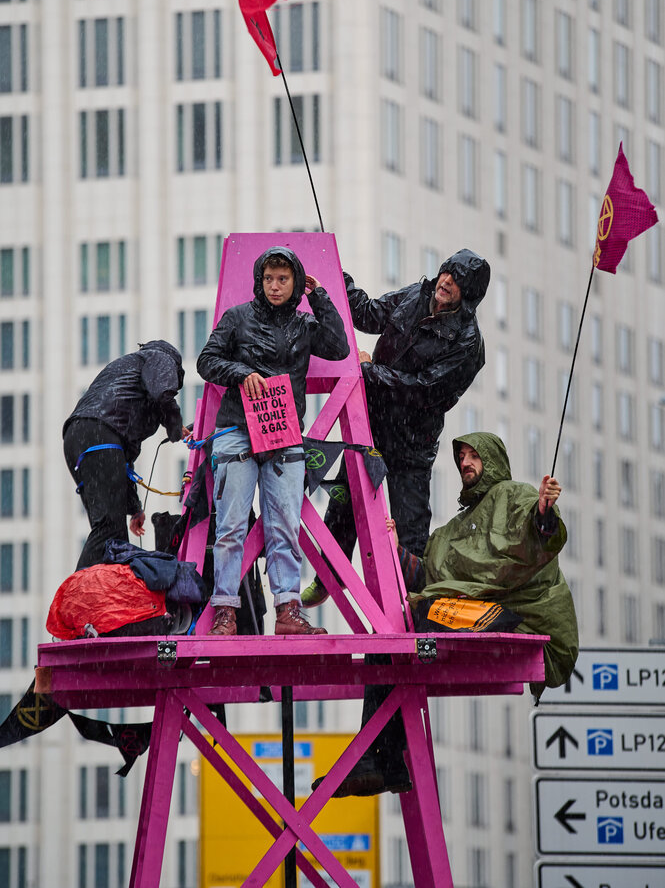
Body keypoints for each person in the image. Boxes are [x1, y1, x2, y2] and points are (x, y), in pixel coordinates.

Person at [313, 431, 579, 797]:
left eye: (474, 455)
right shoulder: (457, 528)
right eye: (462, 457)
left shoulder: (514, 496)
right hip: (482, 615)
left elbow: (539, 534)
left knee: (408, 622)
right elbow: (428, 574)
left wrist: (544, 513)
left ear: (493, 460)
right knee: (397, 630)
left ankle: (377, 758)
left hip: (528, 620)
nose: (465, 463)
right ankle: (386, 760)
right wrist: (395, 551)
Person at [303, 248, 490, 608]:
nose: (447, 281)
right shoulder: (415, 296)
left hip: (412, 441)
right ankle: (329, 575)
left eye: (458, 280)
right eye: (446, 272)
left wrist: (370, 371)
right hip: (372, 422)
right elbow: (370, 314)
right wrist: (335, 278)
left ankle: (415, 602)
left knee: (411, 522)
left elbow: (426, 389)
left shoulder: (467, 343)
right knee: (344, 502)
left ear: (470, 294)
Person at [196, 246, 349, 637]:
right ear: (259, 282)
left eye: (283, 279)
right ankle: (225, 612)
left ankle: (288, 610)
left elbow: (340, 347)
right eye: (269, 279)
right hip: (238, 432)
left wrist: (320, 297)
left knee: (285, 525)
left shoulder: (304, 324)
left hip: (284, 437)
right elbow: (206, 360)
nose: (275, 286)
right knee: (230, 527)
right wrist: (241, 371)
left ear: (295, 281)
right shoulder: (237, 318)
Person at [63, 340, 186, 571]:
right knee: (109, 529)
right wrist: (175, 426)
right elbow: (163, 395)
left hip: (77, 438)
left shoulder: (127, 371)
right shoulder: (161, 357)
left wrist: (134, 506)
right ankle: (77, 596)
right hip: (99, 436)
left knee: (113, 539)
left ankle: (100, 597)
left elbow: (122, 461)